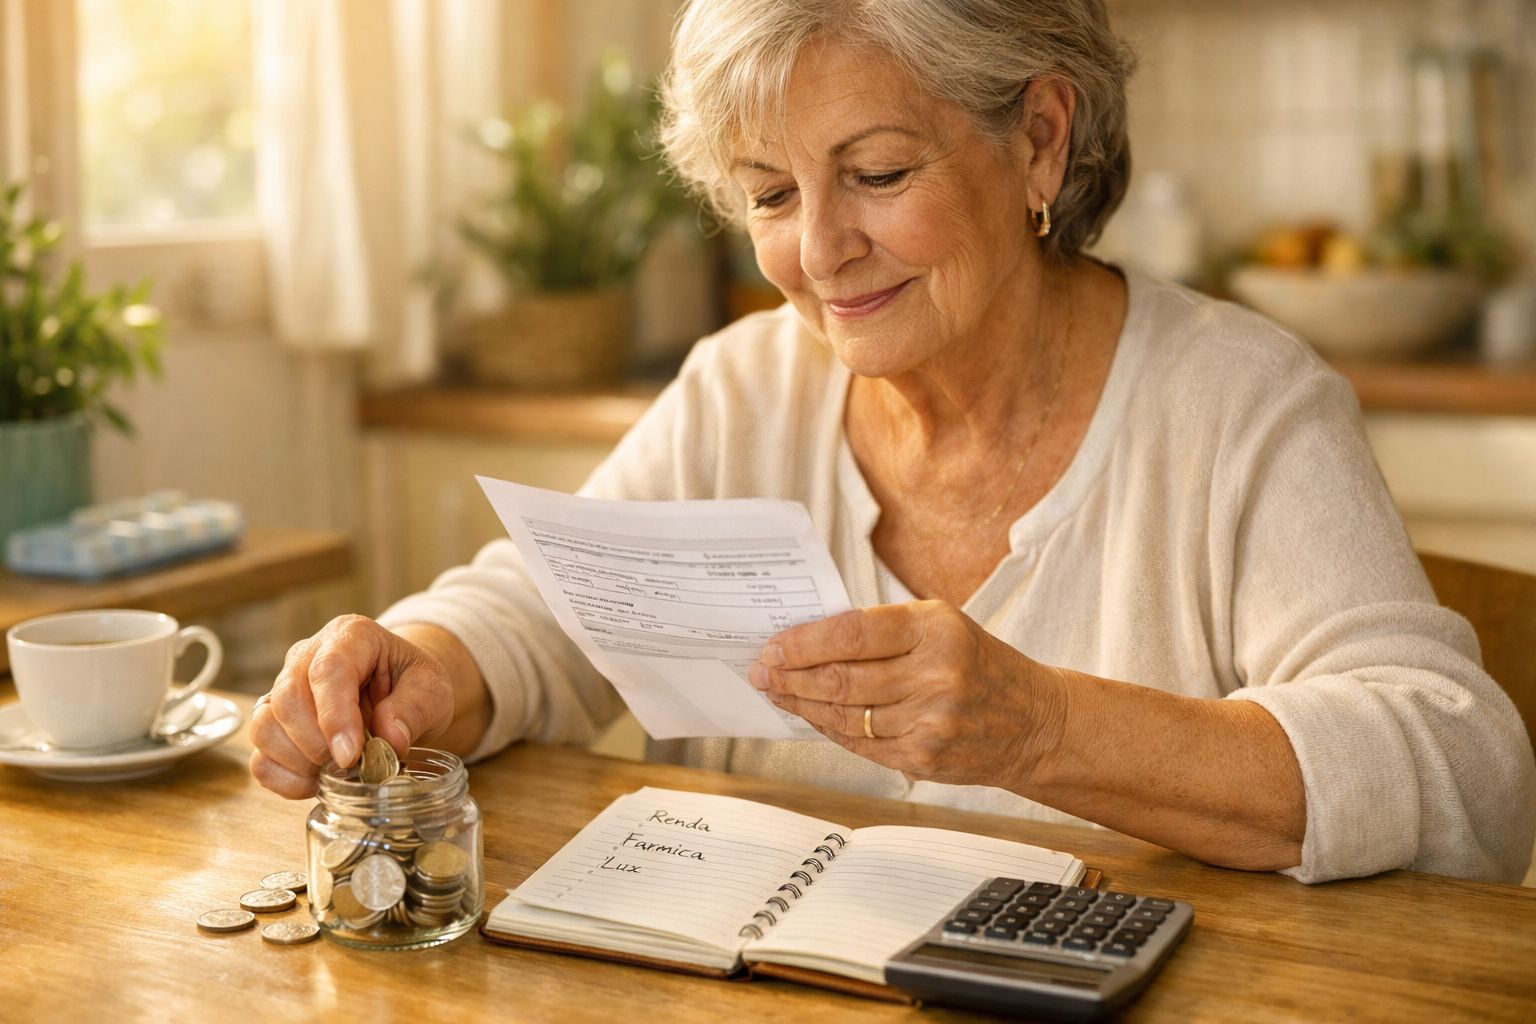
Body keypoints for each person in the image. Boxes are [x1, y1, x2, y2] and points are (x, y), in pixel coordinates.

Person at [250, 0, 1535, 884]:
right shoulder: (744, 389)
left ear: (1040, 138)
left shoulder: (1241, 406)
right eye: (768, 192)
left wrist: (1039, 727)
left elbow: (1465, 774)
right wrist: (422, 661)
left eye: (875, 174)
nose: (817, 252)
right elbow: (545, 611)